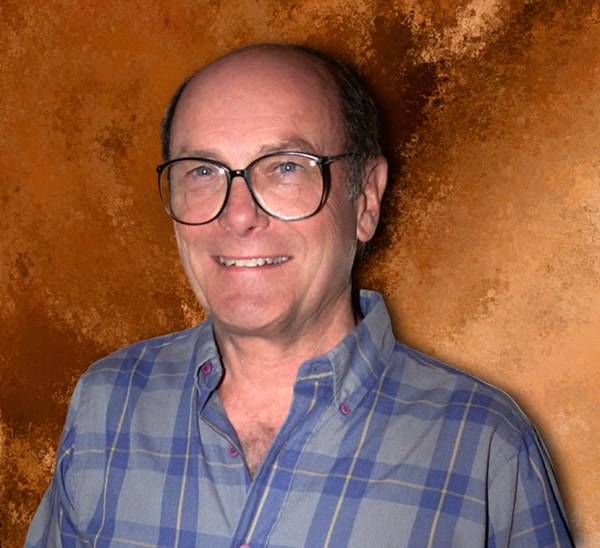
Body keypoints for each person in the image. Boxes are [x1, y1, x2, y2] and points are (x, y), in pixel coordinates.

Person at [26, 44, 573, 548]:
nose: (238, 214)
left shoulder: (485, 446)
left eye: (286, 167)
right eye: (203, 171)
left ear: (366, 200)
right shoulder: (106, 405)